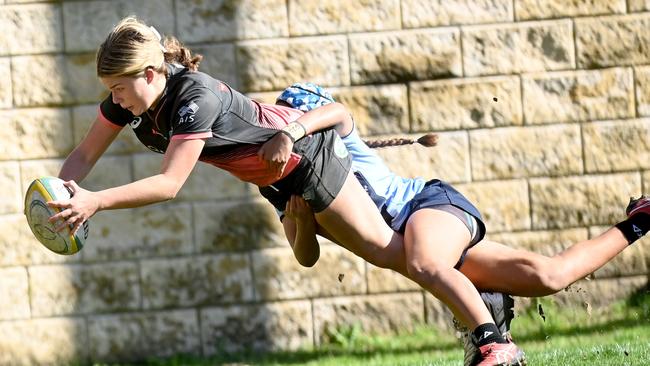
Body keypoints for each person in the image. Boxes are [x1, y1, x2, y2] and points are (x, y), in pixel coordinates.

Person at [45, 17, 524, 366]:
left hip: (306, 158)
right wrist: (64, 190)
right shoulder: (128, 103)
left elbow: (170, 184)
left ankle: (493, 340)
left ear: (150, 74)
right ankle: (488, 306)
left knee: (390, 252)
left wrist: (95, 202)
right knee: (410, 256)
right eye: (109, 89)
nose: (115, 98)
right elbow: (84, 156)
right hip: (278, 183)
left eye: (120, 87)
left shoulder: (195, 98)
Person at [273, 82, 650, 366]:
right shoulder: (285, 183)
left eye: (299, 121)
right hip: (428, 244)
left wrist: (291, 132)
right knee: (547, 276)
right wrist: (302, 222)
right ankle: (640, 222)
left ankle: (493, 343)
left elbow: (336, 111)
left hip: (431, 208)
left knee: (424, 263)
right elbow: (305, 256)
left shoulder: (337, 136)